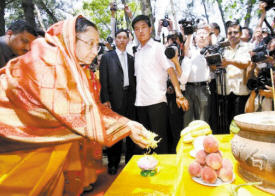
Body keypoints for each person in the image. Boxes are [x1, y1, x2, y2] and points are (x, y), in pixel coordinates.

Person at [0, 15, 152, 195]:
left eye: (97, 45)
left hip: (39, 146)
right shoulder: (47, 60)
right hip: (14, 144)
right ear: (71, 39)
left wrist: (126, 124)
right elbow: (72, 111)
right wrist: (125, 126)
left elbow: (82, 106)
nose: (95, 51)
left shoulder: (68, 64)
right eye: (90, 43)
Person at [132, 15, 188, 154]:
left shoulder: (158, 47)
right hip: (140, 103)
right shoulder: (137, 52)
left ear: (150, 29)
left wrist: (179, 94)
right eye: (137, 29)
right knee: (145, 142)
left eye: (143, 27)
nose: (140, 31)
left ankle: (163, 171)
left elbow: (171, 71)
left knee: (159, 141)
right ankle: (149, 170)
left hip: (156, 102)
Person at [100, 29, 136, 175]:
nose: (121, 40)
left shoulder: (131, 58)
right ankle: (113, 163)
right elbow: (103, 79)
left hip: (130, 98)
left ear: (128, 40)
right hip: (114, 99)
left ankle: (129, 161)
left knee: (130, 131)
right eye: (119, 37)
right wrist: (105, 99)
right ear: (115, 40)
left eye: (124, 38)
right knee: (115, 132)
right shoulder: (107, 57)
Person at [217, 20, 251, 133]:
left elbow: (246, 63)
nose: (232, 35)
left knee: (239, 123)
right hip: (224, 91)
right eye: (230, 33)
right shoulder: (221, 48)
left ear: (240, 34)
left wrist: (230, 62)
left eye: (235, 32)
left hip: (240, 91)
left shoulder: (247, 47)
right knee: (224, 123)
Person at [179, 25, 212, 127]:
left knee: (203, 119)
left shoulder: (210, 51)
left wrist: (210, 32)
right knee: (188, 119)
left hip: (203, 89)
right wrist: (188, 35)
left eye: (204, 34)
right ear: (195, 38)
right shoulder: (191, 50)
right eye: (199, 34)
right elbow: (185, 49)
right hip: (189, 88)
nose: (202, 36)